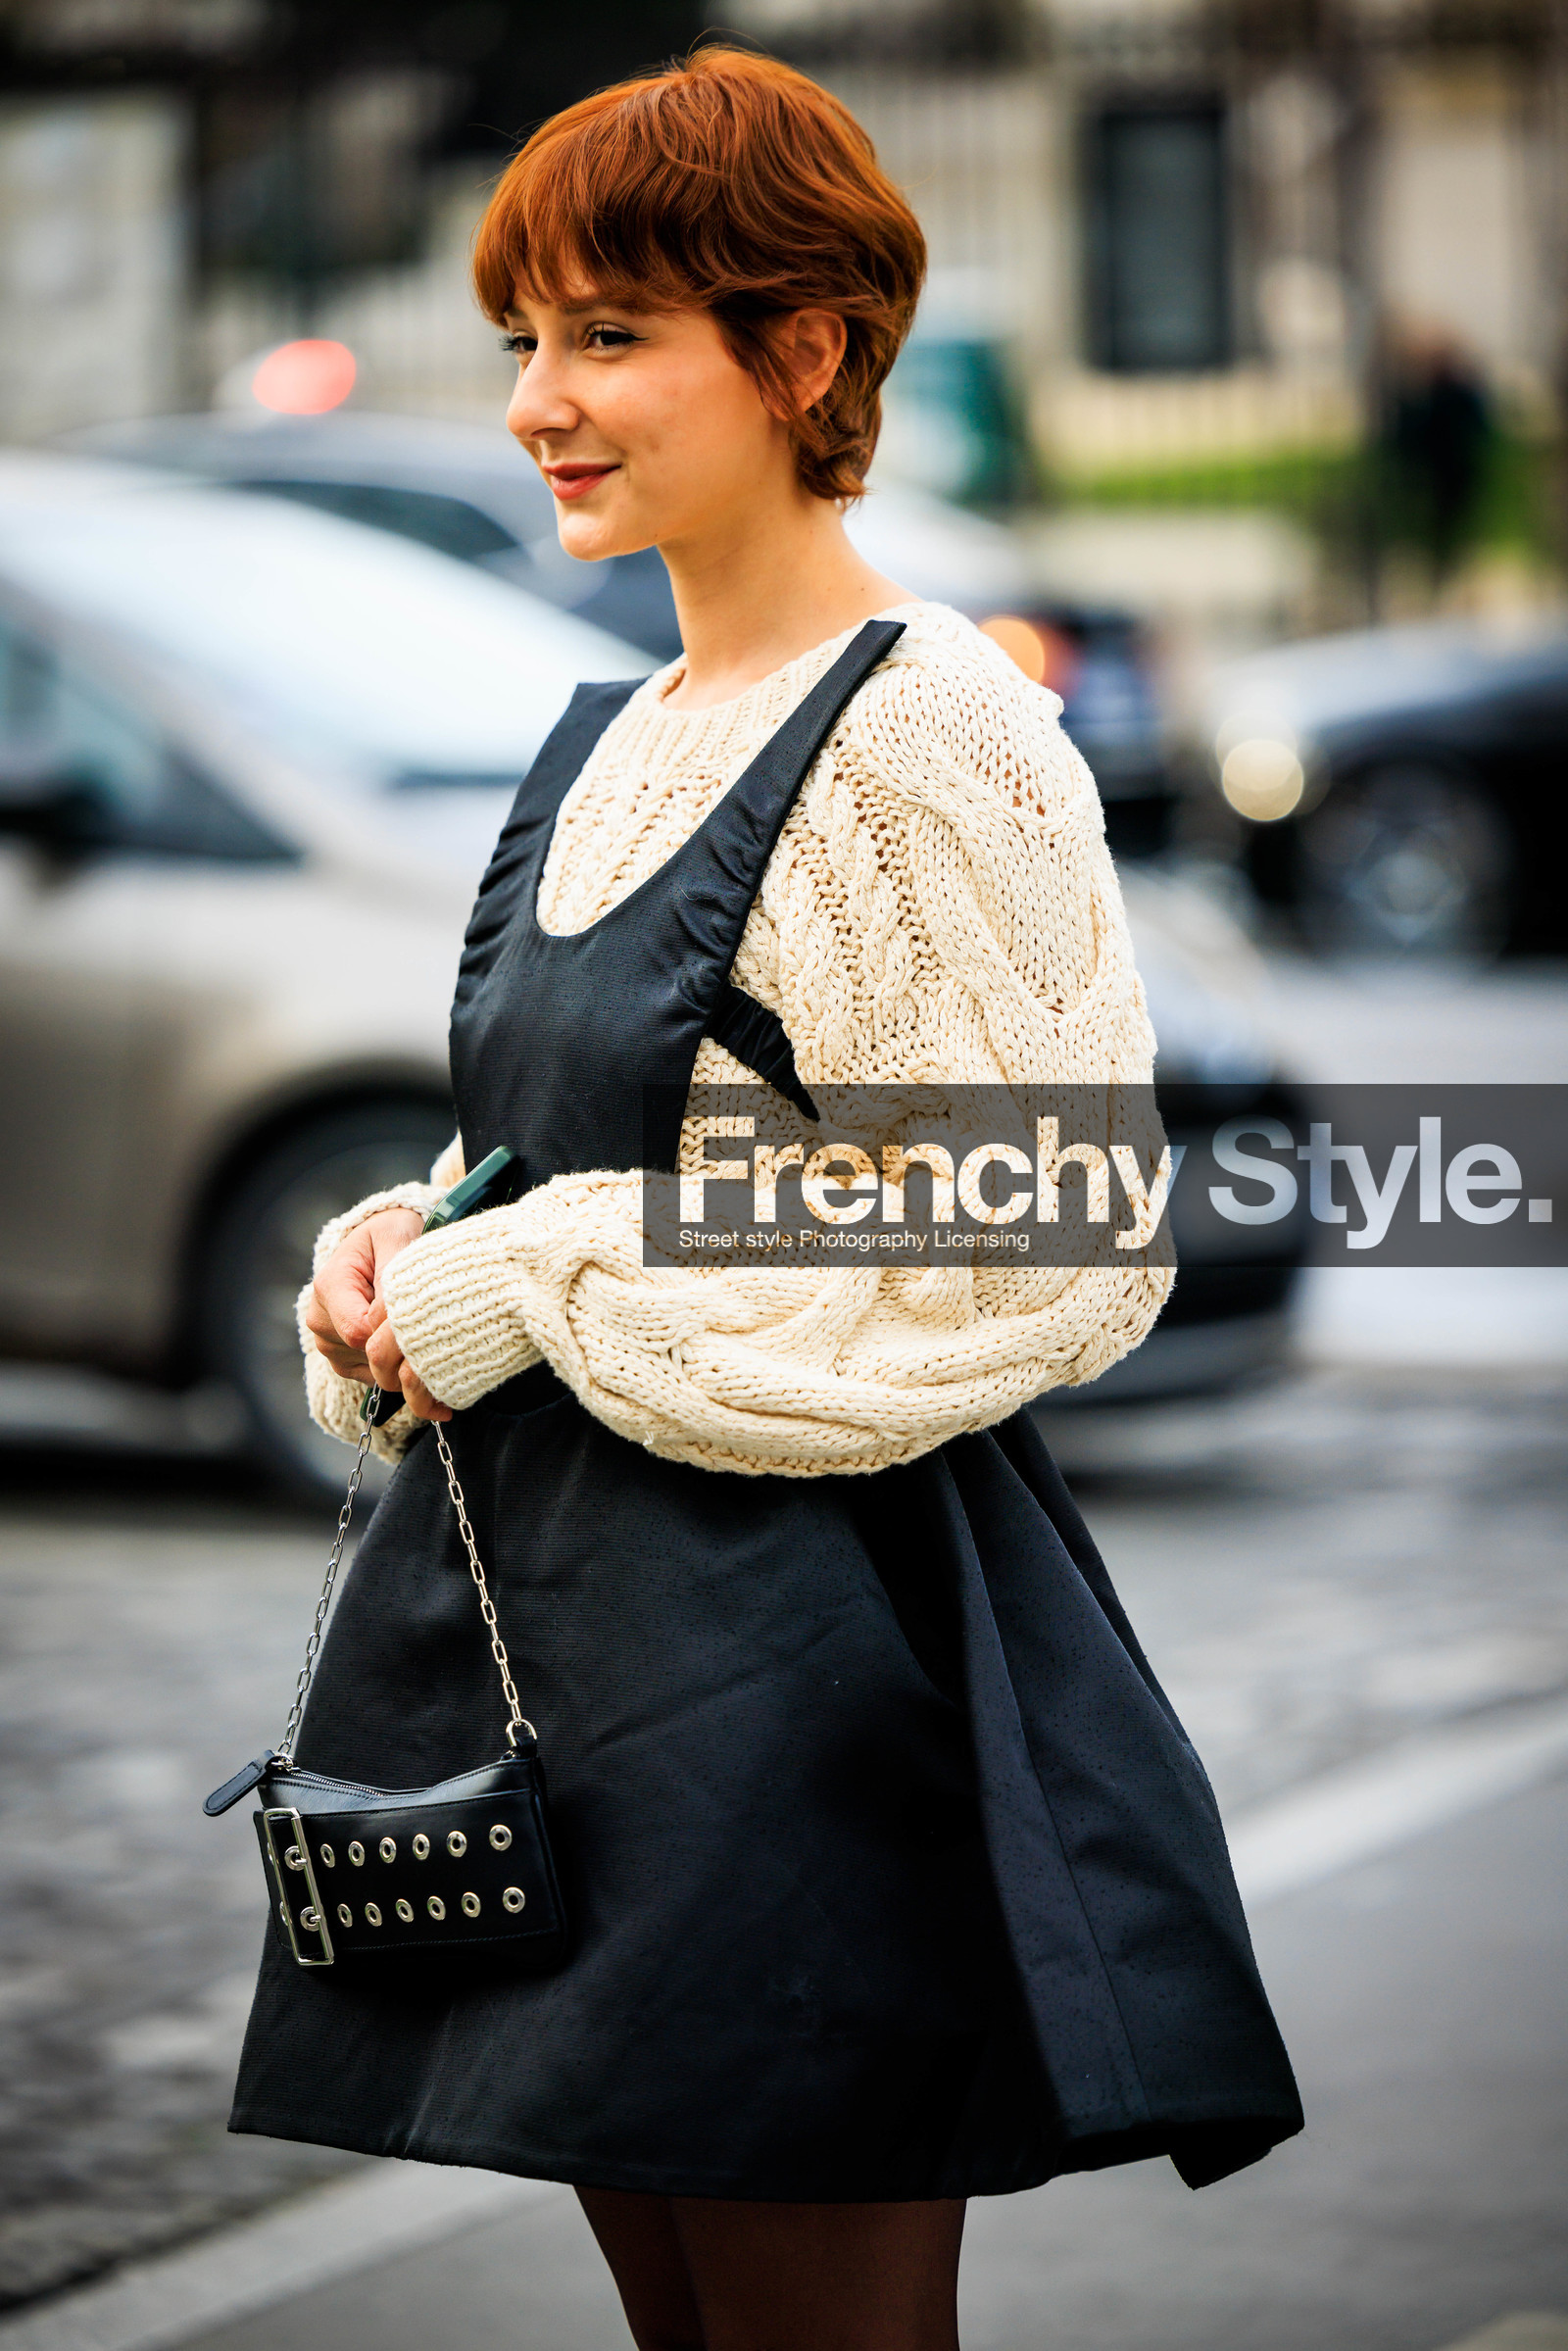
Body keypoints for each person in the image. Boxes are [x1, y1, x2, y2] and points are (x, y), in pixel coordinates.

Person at [230, 48, 1300, 2351]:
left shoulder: (931, 731)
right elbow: (594, 1151)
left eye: (607, 335)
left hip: (797, 1679)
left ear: (801, 351)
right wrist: (411, 1247)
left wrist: (547, 1270)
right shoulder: (600, 731)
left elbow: (1043, 1220)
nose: (538, 399)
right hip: (565, 1679)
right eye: (525, 336)